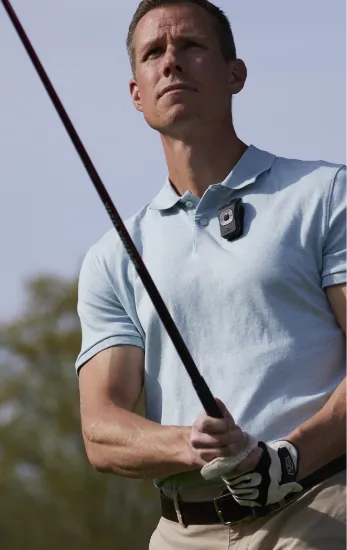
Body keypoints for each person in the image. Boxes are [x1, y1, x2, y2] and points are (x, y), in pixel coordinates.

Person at [75, 0, 347, 548]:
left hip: (317, 509)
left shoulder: (324, 194)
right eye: (153, 53)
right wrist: (192, 444)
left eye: (191, 46)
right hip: (180, 531)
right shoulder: (114, 255)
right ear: (136, 93)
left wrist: (285, 460)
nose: (171, 62)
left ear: (235, 74)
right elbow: (101, 428)